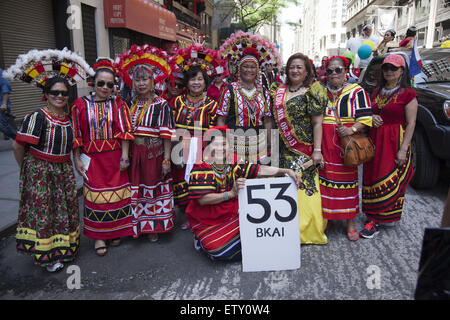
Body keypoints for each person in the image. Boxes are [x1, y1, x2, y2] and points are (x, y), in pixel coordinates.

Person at [5, 48, 94, 272]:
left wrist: (76, 162)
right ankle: (46, 256)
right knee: (46, 214)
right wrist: (27, 168)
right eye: (55, 92)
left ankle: (65, 249)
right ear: (46, 94)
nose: (60, 96)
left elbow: (73, 144)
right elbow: (18, 145)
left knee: (64, 211)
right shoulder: (37, 117)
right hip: (41, 171)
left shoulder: (67, 117)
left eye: (64, 93)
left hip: (63, 170)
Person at [186, 126, 303, 261]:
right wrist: (230, 194)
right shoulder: (201, 166)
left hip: (231, 211)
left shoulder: (232, 160)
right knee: (219, 251)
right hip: (207, 219)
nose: (220, 149)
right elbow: (203, 200)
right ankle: (200, 240)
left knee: (260, 230)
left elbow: (258, 170)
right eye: (215, 144)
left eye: (224, 144)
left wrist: (286, 171)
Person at [72, 58, 134, 256]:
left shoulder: (119, 105)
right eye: (101, 83)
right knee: (94, 197)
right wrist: (76, 159)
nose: (105, 87)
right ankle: (99, 236)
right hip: (92, 159)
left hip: (115, 157)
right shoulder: (79, 105)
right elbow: (76, 135)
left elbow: (124, 131)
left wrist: (125, 156)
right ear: (93, 83)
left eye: (110, 84)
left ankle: (116, 231)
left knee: (118, 195)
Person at [115, 44, 176, 242]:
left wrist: (167, 160)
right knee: (136, 189)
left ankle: (154, 227)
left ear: (153, 81)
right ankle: (137, 225)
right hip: (135, 154)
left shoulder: (161, 104)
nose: (141, 83)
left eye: (145, 79)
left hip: (154, 153)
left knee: (152, 189)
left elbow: (166, 135)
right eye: (137, 79)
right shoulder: (129, 104)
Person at [272, 53, 328, 245]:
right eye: (291, 67)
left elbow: (317, 123)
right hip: (281, 148)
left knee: (304, 189)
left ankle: (306, 231)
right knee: (284, 188)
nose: (294, 70)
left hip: (303, 150)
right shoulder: (279, 91)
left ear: (306, 71)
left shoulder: (313, 91)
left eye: (299, 67)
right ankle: (283, 228)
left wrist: (318, 150)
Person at [360, 54, 418, 238]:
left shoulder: (408, 94)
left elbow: (411, 123)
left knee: (386, 176)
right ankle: (372, 214)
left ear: (401, 71)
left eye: (393, 68)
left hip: (394, 141)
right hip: (376, 139)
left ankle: (377, 219)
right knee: (372, 176)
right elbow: (368, 113)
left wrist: (403, 149)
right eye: (386, 68)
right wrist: (371, 118)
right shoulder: (376, 92)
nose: (389, 71)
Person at [318, 56, 373, 241]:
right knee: (325, 183)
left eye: (338, 70)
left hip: (346, 144)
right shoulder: (320, 92)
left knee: (348, 183)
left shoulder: (357, 91)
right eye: (330, 70)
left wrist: (352, 128)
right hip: (325, 143)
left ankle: (350, 222)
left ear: (346, 71)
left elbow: (366, 118)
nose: (334, 74)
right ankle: (329, 218)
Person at [171, 44, 225, 229]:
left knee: (197, 179)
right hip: (179, 146)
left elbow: (214, 131)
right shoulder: (177, 101)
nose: (196, 83)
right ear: (186, 82)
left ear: (205, 82)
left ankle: (196, 213)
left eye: (200, 79)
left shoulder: (211, 104)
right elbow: (171, 126)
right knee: (180, 179)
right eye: (192, 79)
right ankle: (183, 211)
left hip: (201, 148)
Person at [218, 31, 282, 164]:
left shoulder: (264, 92)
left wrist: (271, 144)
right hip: (234, 145)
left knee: (256, 179)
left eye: (253, 67)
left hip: (258, 145)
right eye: (245, 66)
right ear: (239, 69)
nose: (249, 70)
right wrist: (221, 143)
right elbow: (221, 119)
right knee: (237, 181)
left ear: (258, 70)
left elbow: (268, 121)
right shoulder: (229, 90)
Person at [0, 68, 17, 140]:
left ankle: (19, 139)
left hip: (1, 105)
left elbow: (5, 88)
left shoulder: (1, 74)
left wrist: (4, 104)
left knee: (2, 125)